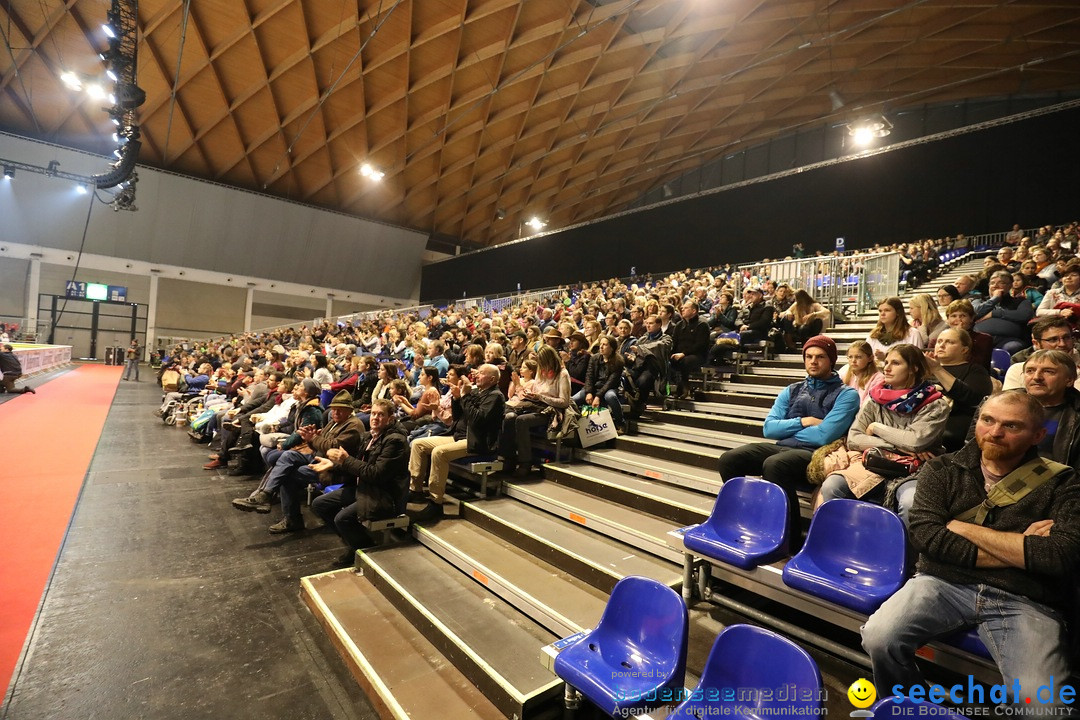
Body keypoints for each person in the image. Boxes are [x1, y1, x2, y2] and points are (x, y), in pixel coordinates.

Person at [862, 392, 1080, 707]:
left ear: (1038, 435)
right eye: (987, 420)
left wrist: (962, 527)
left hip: (1026, 599)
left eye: (1012, 426)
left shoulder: (1063, 482)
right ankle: (908, 708)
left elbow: (1058, 556)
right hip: (943, 583)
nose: (994, 432)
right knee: (880, 637)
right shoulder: (943, 469)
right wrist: (1022, 548)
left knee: (1044, 707)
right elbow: (928, 538)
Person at [717, 336, 859, 546]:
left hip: (818, 454)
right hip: (783, 448)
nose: (813, 361)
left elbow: (824, 435)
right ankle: (744, 518)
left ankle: (787, 538)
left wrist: (787, 430)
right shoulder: (792, 390)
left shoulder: (847, 395)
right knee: (729, 460)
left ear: (831, 361)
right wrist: (805, 421)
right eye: (809, 356)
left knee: (775, 465)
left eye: (820, 357)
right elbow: (768, 428)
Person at [816, 344, 949, 517]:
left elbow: (915, 442)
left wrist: (876, 427)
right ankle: (842, 540)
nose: (886, 368)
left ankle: (902, 544)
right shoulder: (875, 399)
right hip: (875, 462)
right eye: (886, 362)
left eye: (895, 363)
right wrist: (898, 446)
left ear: (913, 368)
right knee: (832, 485)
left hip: (914, 469)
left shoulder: (934, 404)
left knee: (910, 502)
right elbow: (854, 439)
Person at [232, 390, 363, 531]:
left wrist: (313, 438)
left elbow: (333, 446)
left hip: (333, 468)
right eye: (334, 409)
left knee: (287, 475)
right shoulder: (334, 422)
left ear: (349, 410)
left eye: (340, 410)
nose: (335, 413)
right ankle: (267, 493)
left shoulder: (354, 425)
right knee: (288, 456)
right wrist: (310, 438)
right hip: (317, 458)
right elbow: (320, 444)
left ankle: (290, 518)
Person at [312, 399, 410, 566]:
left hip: (383, 495)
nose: (375, 418)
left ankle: (364, 547)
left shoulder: (395, 441)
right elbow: (356, 465)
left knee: (341, 519)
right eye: (373, 413)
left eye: (381, 415)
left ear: (391, 418)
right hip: (364, 488)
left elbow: (375, 474)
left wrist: (346, 460)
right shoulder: (368, 436)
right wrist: (333, 465)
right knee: (319, 504)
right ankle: (355, 541)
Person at [407, 363, 505, 523]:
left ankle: (435, 502)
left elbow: (477, 420)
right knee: (419, 444)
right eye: (478, 372)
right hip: (459, 436)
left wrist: (464, 396)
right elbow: (459, 415)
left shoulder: (495, 396)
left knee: (439, 453)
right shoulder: (478, 392)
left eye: (481, 373)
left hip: (477, 442)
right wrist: (457, 398)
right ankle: (415, 490)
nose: (477, 375)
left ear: (492, 379)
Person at [501, 344, 570, 477]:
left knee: (522, 420)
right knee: (509, 417)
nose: (540, 365)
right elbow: (537, 392)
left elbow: (564, 402)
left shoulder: (562, 374)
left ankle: (525, 462)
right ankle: (508, 458)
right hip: (535, 405)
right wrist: (529, 393)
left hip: (551, 411)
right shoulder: (540, 371)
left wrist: (541, 397)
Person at [923, 328, 993, 452]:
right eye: (939, 341)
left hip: (953, 426)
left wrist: (937, 369)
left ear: (964, 349)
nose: (942, 345)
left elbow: (975, 399)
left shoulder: (975, 370)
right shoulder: (924, 371)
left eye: (950, 342)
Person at [1002, 317, 1080, 392]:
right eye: (1053, 339)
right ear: (1036, 343)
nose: (1062, 344)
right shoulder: (1018, 365)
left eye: (1067, 337)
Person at [972, 270, 1034, 354]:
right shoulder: (978, 300)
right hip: (979, 339)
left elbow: (1024, 315)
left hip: (1009, 340)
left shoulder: (1020, 301)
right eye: (992, 283)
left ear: (1010, 286)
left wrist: (994, 313)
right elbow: (974, 313)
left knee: (1013, 347)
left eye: (1001, 283)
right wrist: (995, 299)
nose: (995, 286)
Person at [577, 335, 627, 431]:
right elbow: (589, 376)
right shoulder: (594, 358)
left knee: (610, 396)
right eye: (600, 344)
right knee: (574, 399)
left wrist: (598, 396)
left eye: (605, 345)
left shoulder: (618, 362)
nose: (601, 347)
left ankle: (620, 422)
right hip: (594, 388)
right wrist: (588, 392)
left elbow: (610, 383)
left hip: (610, 388)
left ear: (612, 348)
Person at [625, 315, 671, 416]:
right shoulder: (643, 338)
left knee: (643, 381)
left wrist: (641, 350)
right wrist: (632, 356)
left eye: (651, 323)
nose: (648, 326)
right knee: (624, 376)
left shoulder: (666, 338)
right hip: (638, 366)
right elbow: (635, 350)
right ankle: (630, 403)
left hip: (654, 368)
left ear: (659, 325)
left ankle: (640, 404)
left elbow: (659, 346)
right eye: (647, 323)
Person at [669, 301, 710, 398]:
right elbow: (674, 342)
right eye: (682, 307)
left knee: (685, 361)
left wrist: (683, 353)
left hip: (697, 355)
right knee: (665, 360)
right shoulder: (679, 325)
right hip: (680, 354)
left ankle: (683, 388)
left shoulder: (702, 325)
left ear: (694, 311)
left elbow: (700, 345)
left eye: (686, 308)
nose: (682, 309)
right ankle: (667, 388)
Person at [867, 297, 923, 362]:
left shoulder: (912, 334)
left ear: (898, 312)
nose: (882, 314)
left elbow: (917, 362)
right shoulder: (873, 335)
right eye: (880, 311)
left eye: (887, 310)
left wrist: (885, 358)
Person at [944, 299, 993, 371]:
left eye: (962, 316)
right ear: (948, 319)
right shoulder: (939, 340)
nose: (958, 320)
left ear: (971, 318)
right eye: (953, 316)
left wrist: (960, 335)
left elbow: (977, 365)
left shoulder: (984, 339)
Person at [837, 340, 879, 404]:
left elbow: (869, 405)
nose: (853, 360)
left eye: (858, 357)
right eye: (850, 357)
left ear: (870, 358)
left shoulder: (877, 378)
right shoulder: (844, 373)